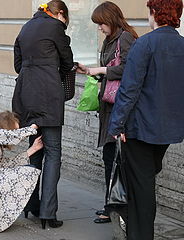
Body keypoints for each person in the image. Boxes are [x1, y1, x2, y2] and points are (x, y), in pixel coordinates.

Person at [108, 0, 184, 239]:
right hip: (168, 129)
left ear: (154, 13)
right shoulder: (182, 45)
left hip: (140, 127)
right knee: (146, 178)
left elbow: (129, 89)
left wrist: (117, 124)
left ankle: (140, 235)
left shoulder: (145, 43)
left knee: (141, 187)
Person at [12, 0, 74, 229]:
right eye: (66, 20)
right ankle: (48, 213)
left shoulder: (26, 26)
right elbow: (67, 62)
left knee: (35, 148)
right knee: (53, 152)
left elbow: (18, 65)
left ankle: (31, 205)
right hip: (48, 93)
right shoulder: (55, 27)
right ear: (60, 14)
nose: (64, 24)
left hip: (26, 94)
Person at [77, 1, 137, 224]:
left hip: (120, 109)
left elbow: (131, 69)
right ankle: (110, 206)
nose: (99, 28)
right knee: (110, 157)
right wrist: (91, 71)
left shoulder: (125, 38)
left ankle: (114, 208)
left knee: (115, 159)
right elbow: (113, 69)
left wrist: (101, 69)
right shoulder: (111, 39)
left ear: (110, 19)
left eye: (101, 23)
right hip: (109, 107)